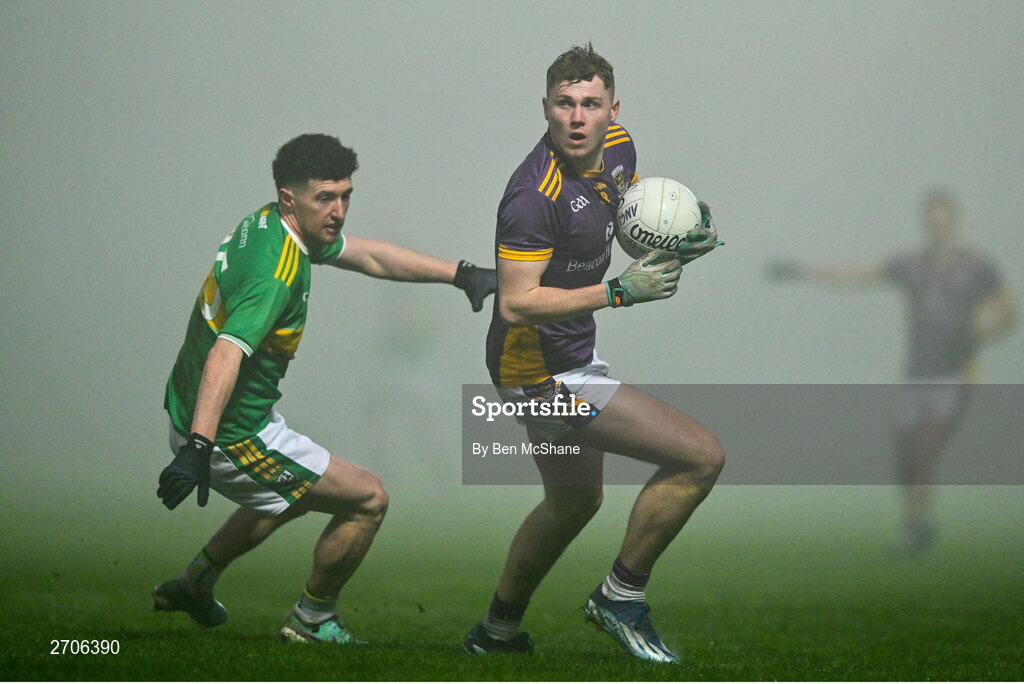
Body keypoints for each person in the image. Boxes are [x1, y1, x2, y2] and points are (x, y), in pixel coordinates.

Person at [153, 133, 496, 644]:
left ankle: (194, 583)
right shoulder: (278, 272)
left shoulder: (269, 224)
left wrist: (459, 274)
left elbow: (369, 257)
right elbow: (226, 352)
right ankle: (312, 617)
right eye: (325, 198)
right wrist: (200, 447)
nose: (338, 211)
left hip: (221, 419)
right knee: (368, 498)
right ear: (291, 197)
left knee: (293, 492)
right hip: (228, 434)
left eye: (345, 196)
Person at [462, 45, 724, 664]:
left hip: (566, 355)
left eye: (590, 104)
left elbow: (629, 215)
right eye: (564, 104)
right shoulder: (532, 196)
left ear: (613, 110)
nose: (577, 118)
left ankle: (496, 631)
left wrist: (676, 238)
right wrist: (616, 292)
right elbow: (516, 304)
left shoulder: (619, 147)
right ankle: (621, 596)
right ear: (546, 109)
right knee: (699, 458)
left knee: (574, 500)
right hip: (538, 371)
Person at [768, 188, 1015, 554]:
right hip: (915, 374)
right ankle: (919, 521)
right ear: (926, 223)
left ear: (954, 222)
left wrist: (975, 338)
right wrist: (803, 271)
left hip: (953, 375)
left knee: (925, 452)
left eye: (944, 220)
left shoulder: (978, 267)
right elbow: (856, 274)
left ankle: (914, 526)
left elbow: (1007, 313)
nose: (938, 228)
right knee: (905, 455)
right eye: (932, 221)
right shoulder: (912, 265)